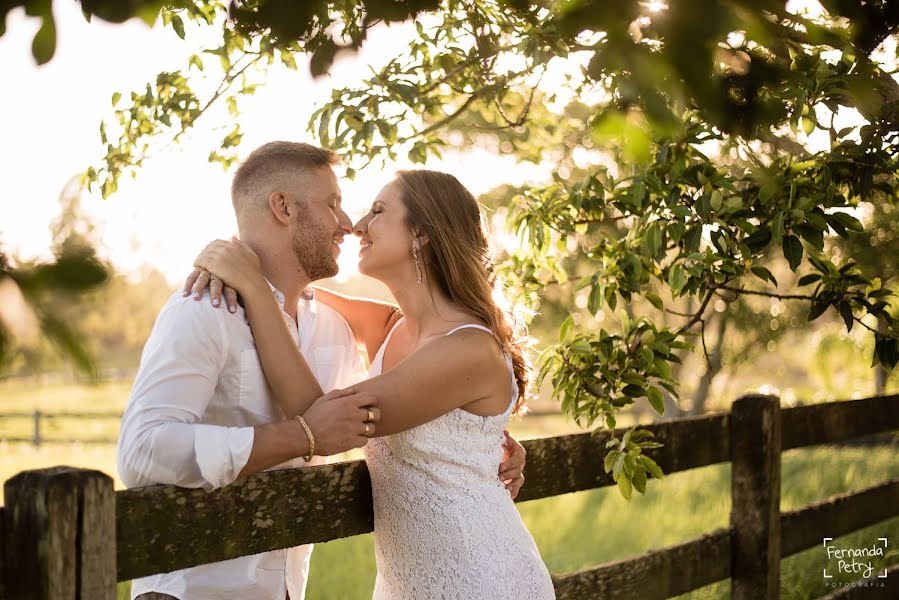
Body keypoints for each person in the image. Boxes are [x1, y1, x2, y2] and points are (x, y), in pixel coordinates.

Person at [121, 141, 526, 600]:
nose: (352, 224)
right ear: (282, 207)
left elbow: (331, 418)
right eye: (334, 204)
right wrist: (234, 263)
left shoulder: (432, 343)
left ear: (422, 235)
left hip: (479, 575)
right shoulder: (213, 311)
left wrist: (479, 441)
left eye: (375, 210)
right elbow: (141, 452)